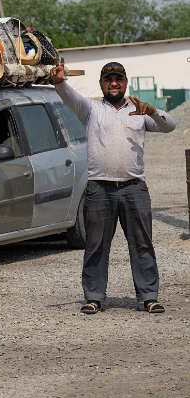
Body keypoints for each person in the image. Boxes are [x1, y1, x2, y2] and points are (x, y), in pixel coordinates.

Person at [50, 60, 176, 314]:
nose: (114, 83)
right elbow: (69, 96)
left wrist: (152, 110)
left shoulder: (140, 112)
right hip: (100, 190)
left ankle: (149, 296)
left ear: (126, 82)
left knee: (142, 245)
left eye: (118, 79)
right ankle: (94, 297)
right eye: (108, 80)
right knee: (96, 245)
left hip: (134, 189)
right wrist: (59, 82)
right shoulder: (91, 109)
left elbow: (169, 126)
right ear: (102, 84)